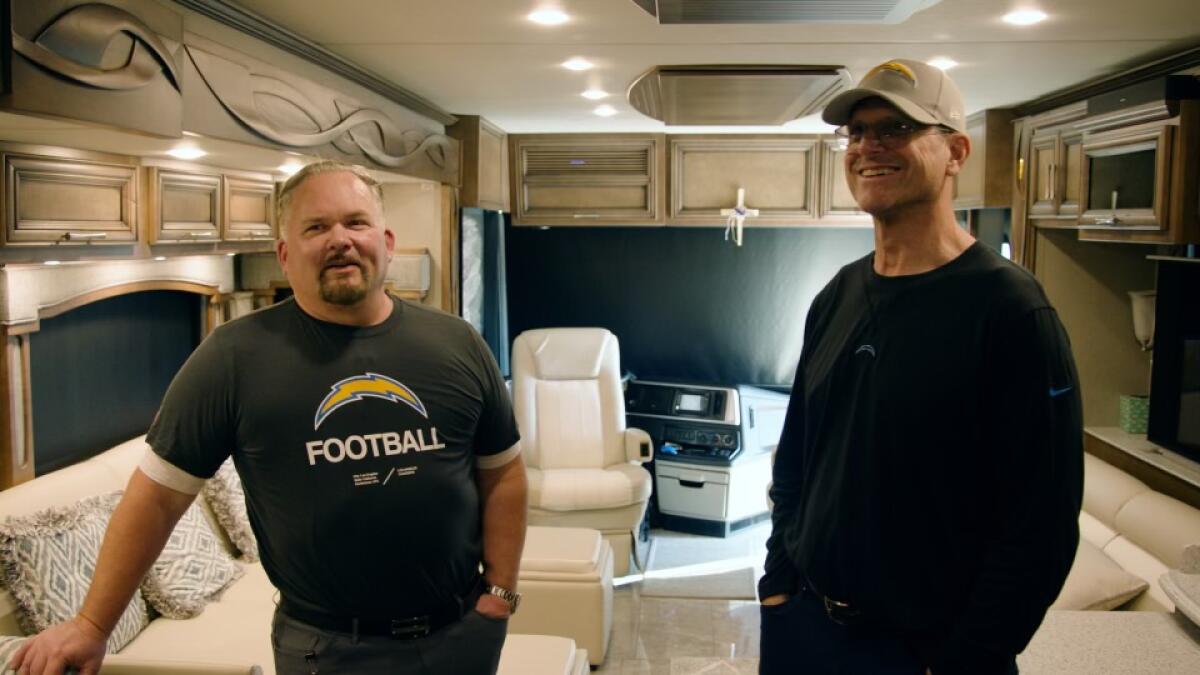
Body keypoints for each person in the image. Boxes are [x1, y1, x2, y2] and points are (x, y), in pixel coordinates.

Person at [9, 160, 528, 675]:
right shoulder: (233, 358)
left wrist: (500, 590)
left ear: (386, 242)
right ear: (285, 254)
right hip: (329, 651)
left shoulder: (457, 343)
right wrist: (92, 626)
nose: (340, 239)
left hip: (461, 637)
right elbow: (158, 497)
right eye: (316, 227)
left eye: (355, 222)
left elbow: (502, 472)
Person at [758, 59, 1083, 675]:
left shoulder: (1011, 310)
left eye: (896, 128)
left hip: (926, 653)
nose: (867, 147)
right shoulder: (838, 295)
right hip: (806, 629)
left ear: (955, 151)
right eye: (855, 133)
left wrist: (967, 659)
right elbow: (799, 454)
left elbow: (1039, 525)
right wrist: (779, 583)